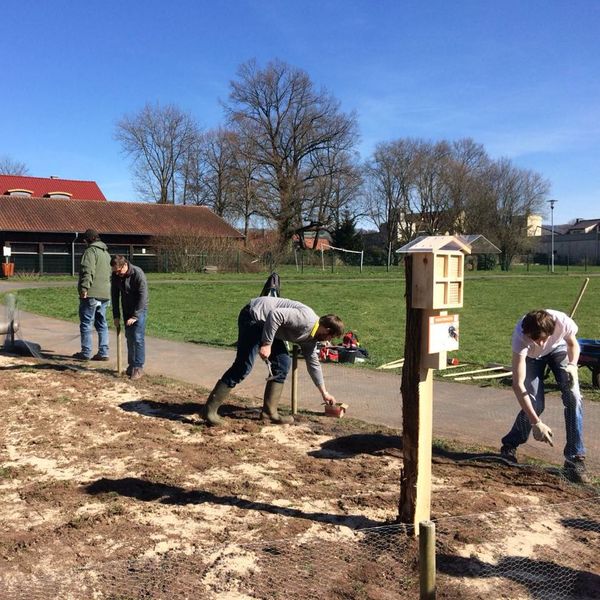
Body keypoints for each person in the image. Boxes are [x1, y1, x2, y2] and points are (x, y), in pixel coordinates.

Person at [202, 296, 344, 426]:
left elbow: (313, 365)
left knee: (283, 363)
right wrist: (267, 344)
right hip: (254, 316)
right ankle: (210, 411)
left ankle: (269, 413)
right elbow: (275, 315)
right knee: (243, 367)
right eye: (330, 336)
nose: (329, 341)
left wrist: (324, 392)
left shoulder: (311, 339)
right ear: (326, 328)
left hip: (269, 325)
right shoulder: (306, 319)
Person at [500, 309, 588, 483]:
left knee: (574, 397)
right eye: (534, 339)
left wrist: (572, 365)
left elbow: (572, 344)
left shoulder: (563, 322)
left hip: (559, 350)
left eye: (542, 338)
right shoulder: (521, 337)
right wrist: (536, 423)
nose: (539, 343)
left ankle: (575, 459)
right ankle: (510, 445)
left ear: (552, 330)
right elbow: (518, 384)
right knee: (535, 403)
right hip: (531, 358)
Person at [73, 229, 111, 361]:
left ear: (87, 240)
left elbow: (87, 271)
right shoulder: (106, 252)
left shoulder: (90, 251)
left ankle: (86, 352)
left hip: (91, 293)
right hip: (105, 293)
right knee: (102, 323)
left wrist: (84, 288)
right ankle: (104, 352)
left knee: (86, 323)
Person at [110, 255, 148, 380]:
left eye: (118, 271)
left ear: (125, 265)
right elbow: (114, 296)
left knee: (137, 338)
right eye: (115, 271)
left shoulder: (138, 274)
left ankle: (138, 367)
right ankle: (131, 365)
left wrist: (136, 315)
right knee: (129, 338)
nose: (117, 273)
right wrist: (116, 315)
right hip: (126, 310)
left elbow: (143, 296)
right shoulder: (116, 276)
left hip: (139, 310)